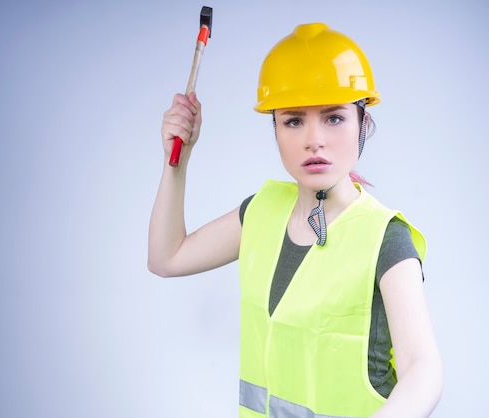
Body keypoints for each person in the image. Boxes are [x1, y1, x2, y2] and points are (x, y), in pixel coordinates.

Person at [148, 22, 442, 418]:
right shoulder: (262, 211)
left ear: (362, 124)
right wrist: (177, 161)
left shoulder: (384, 238)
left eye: (334, 117)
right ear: (275, 129)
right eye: (293, 120)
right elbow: (167, 258)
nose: (314, 139)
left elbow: (424, 371)